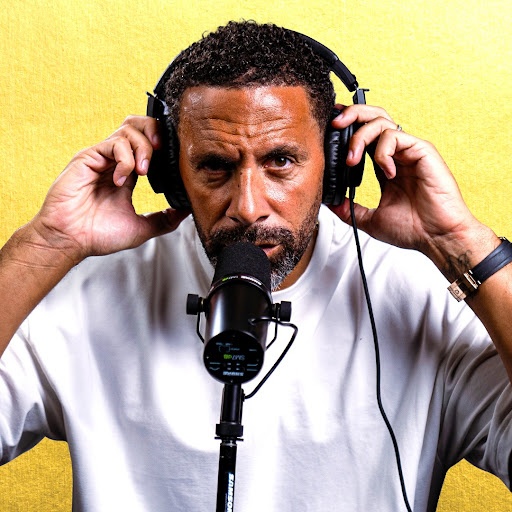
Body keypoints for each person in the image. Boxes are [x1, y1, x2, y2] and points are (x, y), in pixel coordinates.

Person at [0, 20, 511, 512]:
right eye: (214, 165)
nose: (247, 207)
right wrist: (47, 244)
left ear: (337, 164)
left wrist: (460, 242)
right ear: (170, 171)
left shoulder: (425, 295)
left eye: (280, 161)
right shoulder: (91, 291)